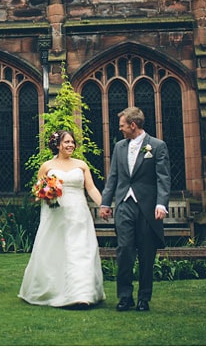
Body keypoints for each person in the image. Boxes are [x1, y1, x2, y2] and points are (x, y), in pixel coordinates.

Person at [19, 130, 106, 308]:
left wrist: (103, 205)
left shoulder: (81, 165)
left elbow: (91, 189)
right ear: (57, 145)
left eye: (72, 142)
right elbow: (37, 192)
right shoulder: (46, 166)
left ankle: (82, 294)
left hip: (78, 215)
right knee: (54, 252)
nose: (70, 145)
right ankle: (54, 291)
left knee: (80, 252)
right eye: (66, 142)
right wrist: (45, 193)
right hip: (55, 215)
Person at [99, 107, 171, 312]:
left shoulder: (157, 146)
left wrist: (161, 204)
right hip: (124, 205)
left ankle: (144, 298)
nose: (120, 129)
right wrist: (106, 203)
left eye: (122, 125)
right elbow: (113, 176)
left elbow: (163, 178)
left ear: (133, 125)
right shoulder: (119, 147)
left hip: (148, 208)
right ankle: (124, 297)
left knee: (147, 254)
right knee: (124, 251)